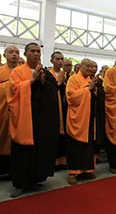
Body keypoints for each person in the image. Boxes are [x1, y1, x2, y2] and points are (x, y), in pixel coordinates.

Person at [7, 42, 59, 197]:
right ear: (26, 53)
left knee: (39, 150)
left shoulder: (44, 71)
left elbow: (53, 89)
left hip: (41, 118)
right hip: (25, 116)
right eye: (32, 51)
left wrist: (42, 81)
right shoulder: (17, 71)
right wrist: (31, 80)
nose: (36, 54)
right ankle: (20, 184)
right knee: (23, 151)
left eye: (38, 51)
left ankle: (35, 180)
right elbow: (13, 91)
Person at [65, 59, 99, 185]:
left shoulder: (90, 79)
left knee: (89, 144)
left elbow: (95, 96)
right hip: (77, 117)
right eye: (88, 67)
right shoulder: (73, 79)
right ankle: (73, 172)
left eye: (92, 67)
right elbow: (70, 97)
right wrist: (87, 89)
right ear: (80, 67)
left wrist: (94, 91)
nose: (90, 69)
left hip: (89, 117)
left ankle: (87, 170)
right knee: (75, 145)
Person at [44, 51, 68, 169]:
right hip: (52, 107)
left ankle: (63, 161)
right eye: (57, 59)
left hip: (64, 107)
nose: (60, 61)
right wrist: (59, 83)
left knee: (64, 137)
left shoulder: (67, 74)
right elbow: (47, 91)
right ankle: (53, 162)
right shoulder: (47, 74)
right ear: (51, 61)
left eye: (61, 59)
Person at [0, 45, 19, 177]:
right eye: (11, 52)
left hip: (19, 112)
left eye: (17, 52)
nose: (14, 55)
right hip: (3, 110)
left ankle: (16, 171)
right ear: (5, 55)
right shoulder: (1, 71)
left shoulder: (23, 72)